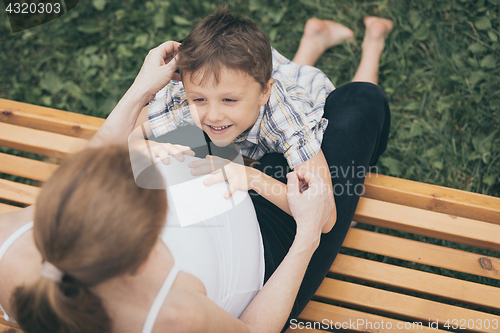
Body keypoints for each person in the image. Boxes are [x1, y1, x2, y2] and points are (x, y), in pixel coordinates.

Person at [0, 8, 391, 333]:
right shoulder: (172, 318)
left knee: (269, 115)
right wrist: (304, 235)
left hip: (230, 169)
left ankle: (304, 57)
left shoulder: (12, 248)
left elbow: (96, 162)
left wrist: (141, 92)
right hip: (268, 250)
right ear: (139, 264)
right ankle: (346, 57)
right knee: (360, 103)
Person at [139, 6, 393, 235]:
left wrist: (252, 177)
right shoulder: (191, 95)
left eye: (229, 101)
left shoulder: (288, 118)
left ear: (264, 92)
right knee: (266, 82)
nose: (213, 115)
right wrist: (146, 147)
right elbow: (130, 135)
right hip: (262, 85)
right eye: (200, 100)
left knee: (358, 111)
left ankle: (373, 42)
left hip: (308, 97)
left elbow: (325, 217)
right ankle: (315, 38)